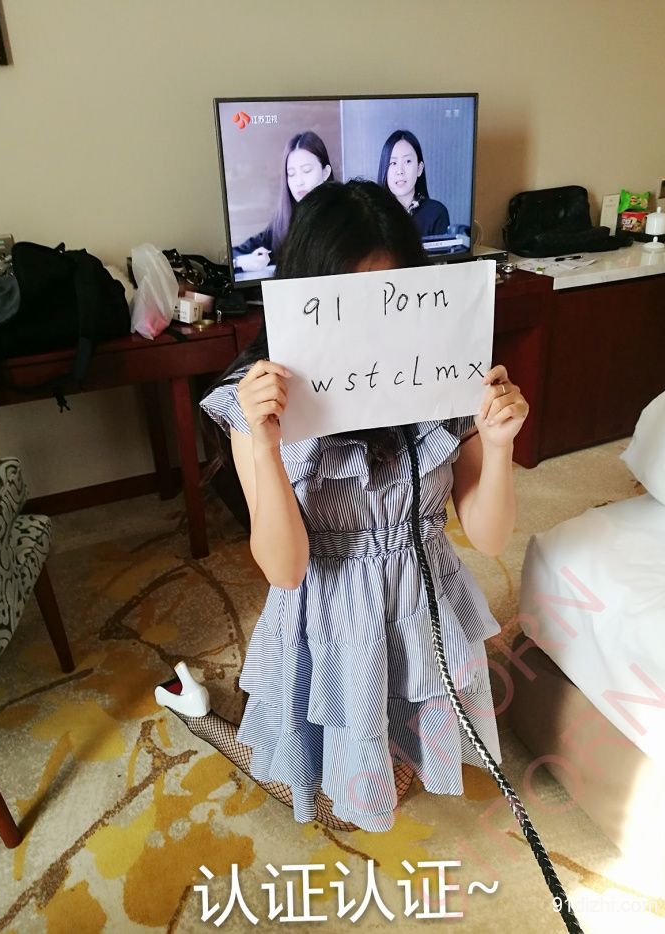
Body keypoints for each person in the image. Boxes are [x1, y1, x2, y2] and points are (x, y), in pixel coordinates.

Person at [201, 179, 529, 832]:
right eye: (346, 302)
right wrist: (264, 446)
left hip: (417, 604)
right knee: (339, 783)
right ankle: (210, 721)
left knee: (401, 747)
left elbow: (490, 539)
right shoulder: (257, 400)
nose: (371, 328)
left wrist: (498, 447)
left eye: (390, 298)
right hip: (330, 617)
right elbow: (285, 569)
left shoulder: (445, 379)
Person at [232, 131, 334, 273]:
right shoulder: (283, 222)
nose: (299, 182)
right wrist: (241, 262)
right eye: (291, 174)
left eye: (306, 170)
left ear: (325, 172)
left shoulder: (344, 218)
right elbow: (234, 254)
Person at [377, 129, 451, 238]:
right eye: (393, 163)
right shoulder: (374, 214)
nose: (400, 171)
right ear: (384, 170)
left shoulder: (436, 213)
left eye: (407, 161)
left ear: (419, 169)